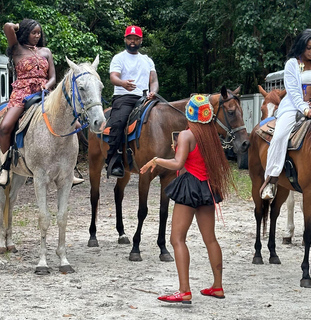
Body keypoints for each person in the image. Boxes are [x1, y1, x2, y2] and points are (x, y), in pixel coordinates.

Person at [140, 95, 233, 304]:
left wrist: (156, 159)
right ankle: (217, 286)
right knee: (211, 239)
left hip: (189, 187)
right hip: (207, 186)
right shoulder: (211, 137)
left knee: (177, 238)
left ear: (189, 114)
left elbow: (178, 163)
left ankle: (184, 290)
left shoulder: (186, 135)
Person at [260, 29, 311, 199]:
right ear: (301, 46)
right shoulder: (292, 64)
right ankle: (271, 180)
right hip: (293, 107)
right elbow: (292, 91)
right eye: (308, 48)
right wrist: (305, 108)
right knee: (279, 136)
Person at [0, 19, 56, 186]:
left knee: (75, 123)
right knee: (6, 126)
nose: (37, 36)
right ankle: (5, 168)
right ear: (25, 32)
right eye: (33, 32)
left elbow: (53, 77)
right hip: (22, 93)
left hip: (44, 93)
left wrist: (47, 85)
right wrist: (21, 26)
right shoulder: (17, 48)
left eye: (39, 33)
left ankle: (70, 169)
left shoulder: (46, 51)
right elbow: (7, 26)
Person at [106, 25, 159, 177]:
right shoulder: (119, 58)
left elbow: (154, 80)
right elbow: (113, 77)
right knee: (118, 122)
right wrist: (123, 83)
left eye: (136, 39)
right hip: (124, 97)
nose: (133, 41)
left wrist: (153, 92)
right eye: (130, 38)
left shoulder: (147, 60)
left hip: (145, 98)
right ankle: (113, 160)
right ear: (125, 39)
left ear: (141, 40)